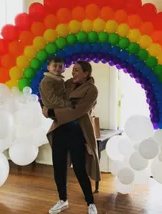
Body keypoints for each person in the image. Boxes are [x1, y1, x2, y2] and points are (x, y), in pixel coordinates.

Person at [42, 61, 100, 214]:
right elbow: (53, 99)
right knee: (59, 168)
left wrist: (51, 112)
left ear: (86, 73)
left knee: (80, 169)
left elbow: (78, 110)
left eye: (76, 70)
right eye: (73, 70)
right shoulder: (66, 84)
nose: (72, 73)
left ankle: (90, 203)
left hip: (78, 133)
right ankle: (62, 200)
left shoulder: (92, 90)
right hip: (60, 130)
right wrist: (44, 106)